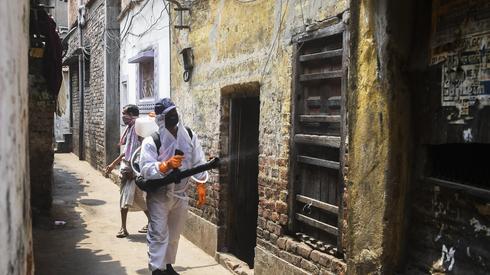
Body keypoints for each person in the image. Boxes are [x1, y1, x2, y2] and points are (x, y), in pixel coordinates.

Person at [139, 98, 208, 275]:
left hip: (180, 194)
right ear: (161, 119)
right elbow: (145, 168)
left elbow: (198, 161)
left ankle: (168, 266)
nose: (173, 117)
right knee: (158, 233)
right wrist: (164, 165)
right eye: (168, 114)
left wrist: (201, 184)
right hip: (160, 195)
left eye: (174, 112)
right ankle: (156, 269)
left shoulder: (189, 135)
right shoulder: (152, 141)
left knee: (174, 234)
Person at [104, 104, 150, 238]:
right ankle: (151, 223)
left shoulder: (138, 128)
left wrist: (135, 172)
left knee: (125, 198)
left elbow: (142, 151)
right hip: (126, 168)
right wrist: (113, 164)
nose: (123, 116)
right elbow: (126, 151)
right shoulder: (130, 128)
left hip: (132, 171)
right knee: (137, 199)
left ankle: (123, 228)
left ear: (131, 114)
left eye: (124, 113)